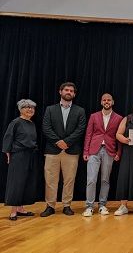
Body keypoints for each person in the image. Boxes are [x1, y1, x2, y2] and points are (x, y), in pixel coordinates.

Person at [41, 82, 86, 217]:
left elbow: (81, 129)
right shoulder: (50, 109)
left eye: (71, 91)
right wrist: (57, 142)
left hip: (71, 150)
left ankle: (67, 205)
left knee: (69, 179)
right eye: (66, 90)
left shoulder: (80, 110)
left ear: (74, 94)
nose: (69, 92)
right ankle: (50, 206)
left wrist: (66, 142)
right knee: (50, 179)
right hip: (52, 150)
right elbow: (46, 127)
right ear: (60, 92)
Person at [82, 93, 123, 217]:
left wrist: (118, 152)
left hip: (109, 150)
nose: (106, 102)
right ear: (101, 102)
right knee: (91, 179)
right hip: (94, 150)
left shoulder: (119, 118)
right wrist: (86, 151)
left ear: (112, 102)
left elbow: (119, 137)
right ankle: (89, 206)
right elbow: (88, 134)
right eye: (104, 100)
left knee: (105, 180)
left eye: (109, 100)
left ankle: (102, 205)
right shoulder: (94, 116)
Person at [2, 99, 38, 220]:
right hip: (18, 155)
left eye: (32, 107)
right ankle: (13, 211)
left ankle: (21, 208)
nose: (30, 109)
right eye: (27, 107)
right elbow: (8, 138)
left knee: (26, 181)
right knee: (17, 182)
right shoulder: (15, 122)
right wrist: (8, 153)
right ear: (21, 109)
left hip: (30, 155)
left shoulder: (32, 124)